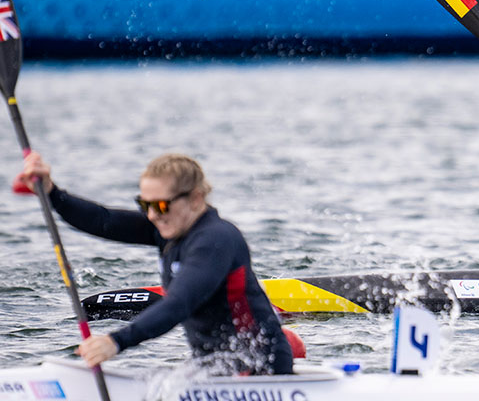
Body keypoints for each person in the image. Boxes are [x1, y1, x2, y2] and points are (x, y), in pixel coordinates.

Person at [21, 152, 293, 375]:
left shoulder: (215, 240)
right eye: (144, 204)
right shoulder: (169, 227)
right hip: (217, 369)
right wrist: (52, 192)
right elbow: (103, 220)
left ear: (196, 198)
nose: (152, 215)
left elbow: (178, 303)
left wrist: (117, 341)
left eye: (161, 205)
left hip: (262, 371)